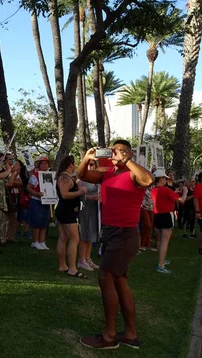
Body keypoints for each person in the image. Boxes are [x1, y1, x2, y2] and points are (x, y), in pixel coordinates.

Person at [77, 141, 154, 350]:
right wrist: (86, 158)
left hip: (125, 234)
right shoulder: (107, 172)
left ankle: (109, 336)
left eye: (118, 150)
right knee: (120, 281)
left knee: (105, 277)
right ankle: (130, 334)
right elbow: (82, 175)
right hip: (111, 233)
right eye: (111, 150)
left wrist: (127, 159)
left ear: (128, 153)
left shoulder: (133, 173)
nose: (113, 153)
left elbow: (148, 180)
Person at [55, 155, 88, 278]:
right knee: (75, 239)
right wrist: (80, 192)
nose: (75, 166)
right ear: (70, 164)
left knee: (63, 238)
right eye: (74, 164)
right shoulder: (64, 177)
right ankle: (72, 268)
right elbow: (64, 194)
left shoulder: (66, 177)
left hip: (65, 210)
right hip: (67, 211)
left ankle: (63, 265)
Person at [151, 171, 186, 274]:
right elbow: (181, 200)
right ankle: (161, 265)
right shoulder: (166, 190)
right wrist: (185, 192)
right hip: (166, 215)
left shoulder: (153, 189)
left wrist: (174, 192)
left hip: (157, 215)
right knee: (165, 242)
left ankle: (162, 260)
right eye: (165, 178)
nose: (166, 180)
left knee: (159, 239)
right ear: (161, 179)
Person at [78, 159, 101, 270]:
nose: (92, 167)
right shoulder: (81, 179)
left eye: (94, 165)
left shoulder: (97, 179)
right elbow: (78, 195)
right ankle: (81, 259)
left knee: (92, 234)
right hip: (85, 208)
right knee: (84, 234)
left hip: (95, 208)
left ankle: (87, 258)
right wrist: (92, 197)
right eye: (90, 164)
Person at [27, 156, 51, 250]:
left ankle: (42, 241)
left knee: (44, 222)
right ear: (39, 165)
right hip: (36, 200)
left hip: (46, 201)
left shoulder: (50, 175)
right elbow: (29, 187)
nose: (44, 165)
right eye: (42, 163)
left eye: (46, 163)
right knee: (36, 222)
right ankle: (35, 241)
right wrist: (36, 193)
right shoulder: (35, 175)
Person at [139, 186, 155, 251]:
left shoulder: (153, 187)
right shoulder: (142, 186)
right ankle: (141, 244)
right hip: (143, 207)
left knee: (149, 226)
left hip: (151, 207)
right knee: (147, 225)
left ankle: (147, 245)